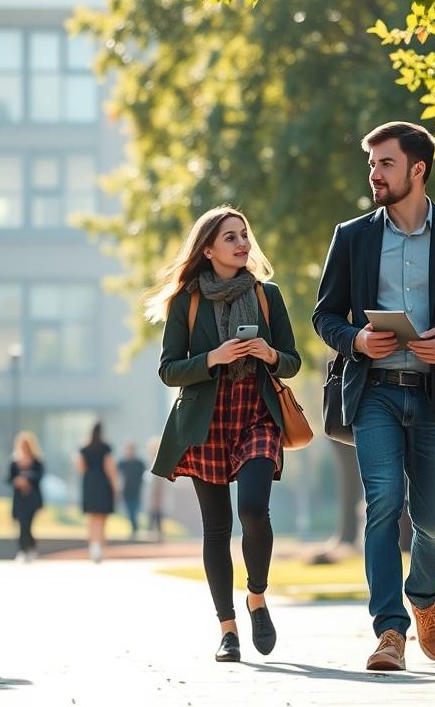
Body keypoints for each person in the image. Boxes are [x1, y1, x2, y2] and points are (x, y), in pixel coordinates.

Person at [313, 121, 435, 671]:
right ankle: (390, 632)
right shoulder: (351, 236)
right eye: (371, 164)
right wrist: (355, 340)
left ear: (418, 170)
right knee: (383, 508)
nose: (374, 173)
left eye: (385, 163)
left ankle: (422, 597)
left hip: (433, 393)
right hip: (372, 392)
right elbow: (324, 314)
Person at [149, 205, 301, 663]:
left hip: (256, 413)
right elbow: (168, 370)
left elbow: (293, 360)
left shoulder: (268, 295)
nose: (241, 243)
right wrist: (212, 358)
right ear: (208, 248)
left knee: (253, 509)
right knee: (216, 528)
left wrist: (269, 353)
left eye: (244, 234)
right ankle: (228, 630)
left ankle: (257, 595)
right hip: (206, 421)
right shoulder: (186, 302)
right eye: (230, 237)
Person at [76, 422, 119, 563]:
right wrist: (115, 487)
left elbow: (81, 468)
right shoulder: (105, 448)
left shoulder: (84, 448)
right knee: (101, 517)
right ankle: (98, 547)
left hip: (89, 484)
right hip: (102, 483)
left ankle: (93, 546)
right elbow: (110, 468)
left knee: (91, 518)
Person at [7, 431, 45, 562]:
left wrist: (27, 479)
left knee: (28, 525)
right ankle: (23, 550)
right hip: (19, 500)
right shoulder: (14, 462)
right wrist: (17, 481)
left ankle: (30, 549)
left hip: (32, 499)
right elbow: (8, 478)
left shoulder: (37, 462)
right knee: (22, 525)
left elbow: (39, 477)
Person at [116, 441, 148, 540]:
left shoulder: (139, 463)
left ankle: (135, 529)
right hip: (126, 492)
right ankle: (134, 528)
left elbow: (145, 475)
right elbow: (117, 476)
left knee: (135, 510)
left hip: (137, 491)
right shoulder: (122, 463)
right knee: (129, 511)